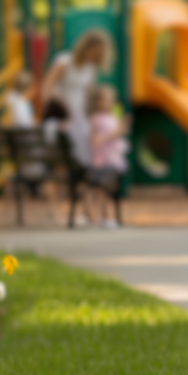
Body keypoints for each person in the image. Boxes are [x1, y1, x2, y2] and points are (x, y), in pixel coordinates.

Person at [40, 29, 110, 166]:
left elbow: (88, 98)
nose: (96, 55)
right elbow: (46, 89)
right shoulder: (64, 61)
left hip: (79, 116)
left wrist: (93, 120)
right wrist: (57, 113)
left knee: (81, 153)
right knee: (60, 151)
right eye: (95, 51)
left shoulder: (91, 69)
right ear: (86, 47)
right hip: (60, 114)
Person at [86, 84, 129, 228]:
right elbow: (95, 141)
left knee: (110, 186)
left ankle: (106, 216)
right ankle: (103, 216)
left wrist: (121, 129)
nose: (107, 103)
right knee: (103, 187)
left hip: (112, 160)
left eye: (109, 100)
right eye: (103, 100)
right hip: (101, 161)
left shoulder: (112, 117)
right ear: (96, 101)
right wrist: (116, 133)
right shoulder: (95, 119)